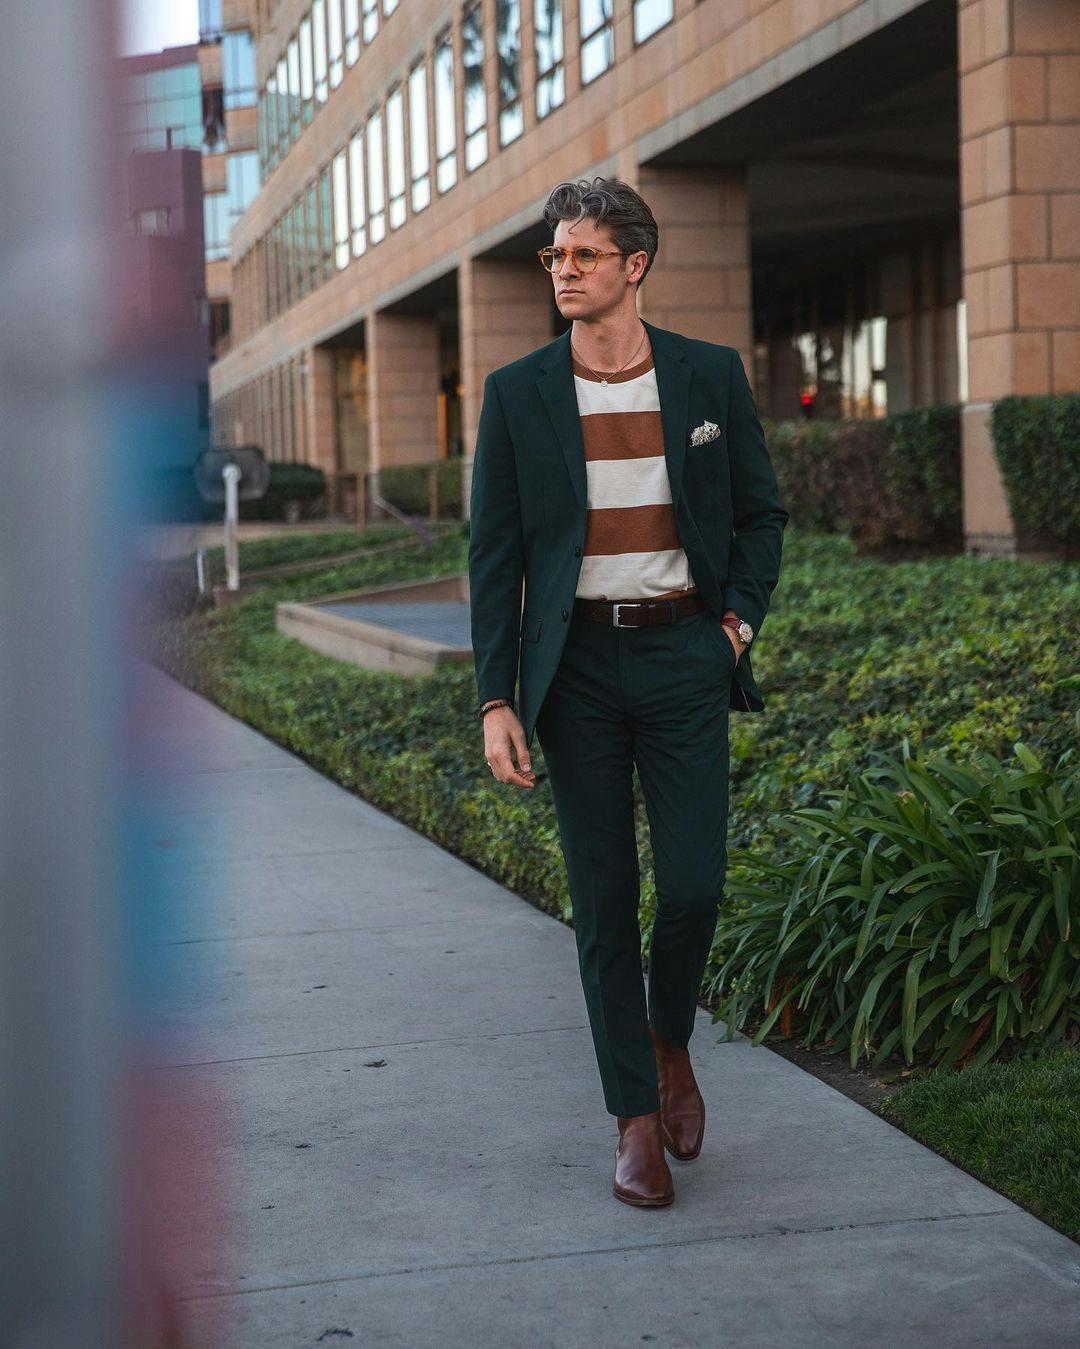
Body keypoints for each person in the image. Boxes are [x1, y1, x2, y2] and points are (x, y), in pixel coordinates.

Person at [467, 176, 788, 1207]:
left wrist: (734, 626)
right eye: (555, 257)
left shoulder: (706, 376)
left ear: (634, 265)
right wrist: (495, 699)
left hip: (686, 658)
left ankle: (669, 1039)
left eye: (584, 256)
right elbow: (496, 556)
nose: (564, 271)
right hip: (577, 677)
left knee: (693, 883)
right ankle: (634, 1120)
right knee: (603, 904)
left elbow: (761, 515)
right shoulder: (517, 393)